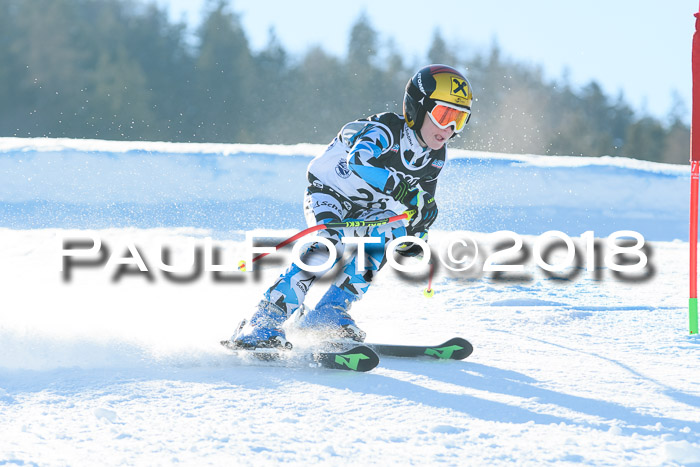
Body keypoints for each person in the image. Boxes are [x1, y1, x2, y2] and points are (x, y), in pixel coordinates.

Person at [230, 64, 473, 349]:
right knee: (328, 246)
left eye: (459, 119)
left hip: (369, 206)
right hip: (330, 193)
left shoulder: (435, 156)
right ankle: (265, 320)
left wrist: (417, 231)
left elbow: (420, 200)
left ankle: (329, 312)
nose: (450, 128)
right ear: (417, 108)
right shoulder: (384, 131)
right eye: (444, 115)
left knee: (384, 238)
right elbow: (359, 161)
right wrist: (403, 189)